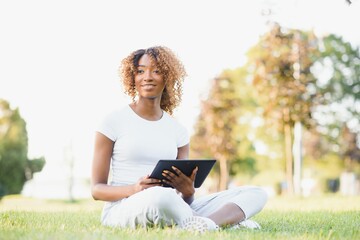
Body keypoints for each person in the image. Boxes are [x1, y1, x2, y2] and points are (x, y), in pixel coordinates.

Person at [91, 46, 268, 233]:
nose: (148, 77)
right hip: (125, 207)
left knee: (256, 194)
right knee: (160, 197)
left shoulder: (177, 130)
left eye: (157, 71)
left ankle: (205, 224)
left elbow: (182, 199)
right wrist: (135, 189)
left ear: (167, 77)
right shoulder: (113, 121)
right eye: (141, 71)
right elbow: (96, 189)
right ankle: (223, 222)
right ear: (132, 77)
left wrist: (188, 192)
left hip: (172, 205)